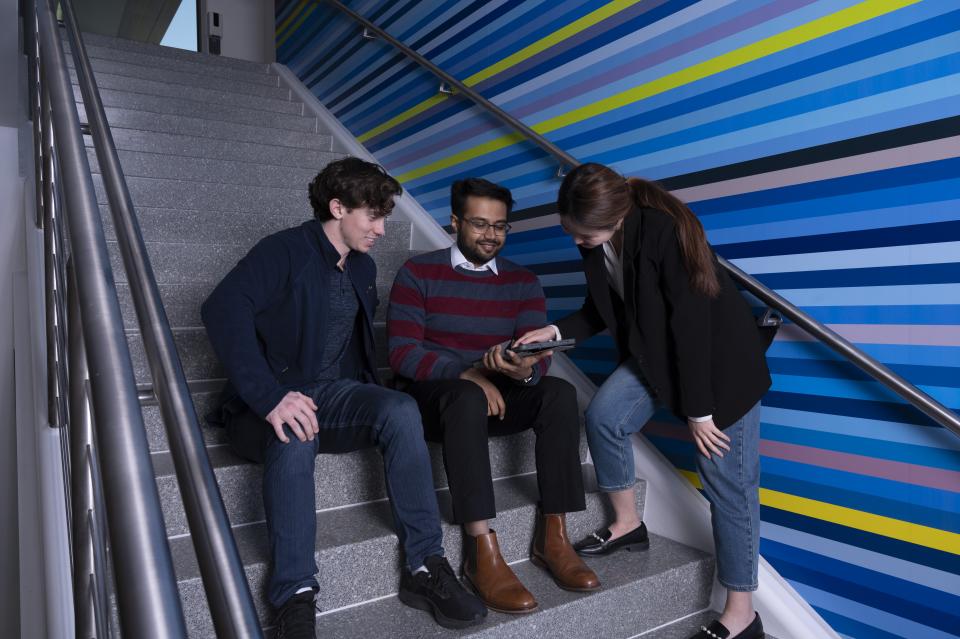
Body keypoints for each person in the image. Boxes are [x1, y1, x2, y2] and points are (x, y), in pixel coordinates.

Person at [201, 157, 486, 637]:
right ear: (337, 207)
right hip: (266, 404)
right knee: (295, 433)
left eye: (385, 216)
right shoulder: (283, 251)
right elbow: (222, 308)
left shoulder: (363, 266)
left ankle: (424, 566)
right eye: (372, 216)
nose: (381, 228)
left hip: (333, 396)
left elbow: (352, 350)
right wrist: (271, 397)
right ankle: (294, 597)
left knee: (400, 409)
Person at [516, 163, 770, 639]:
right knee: (605, 416)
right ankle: (628, 523)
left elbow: (691, 329)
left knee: (728, 487)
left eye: (582, 234)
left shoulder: (662, 232)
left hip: (719, 368)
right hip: (656, 353)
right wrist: (553, 333)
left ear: (615, 218)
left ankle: (742, 613)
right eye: (571, 232)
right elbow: (601, 308)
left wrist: (699, 411)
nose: (576, 242)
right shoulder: (599, 241)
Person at [387, 178, 600, 614]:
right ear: (454, 222)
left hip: (498, 396)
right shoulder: (418, 273)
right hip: (436, 401)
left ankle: (553, 537)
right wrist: (467, 374)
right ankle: (480, 549)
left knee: (558, 393)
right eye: (480, 224)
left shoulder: (522, 281)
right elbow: (402, 353)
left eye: (500, 226)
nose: (490, 235)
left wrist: (525, 370)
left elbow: (537, 356)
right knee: (465, 398)